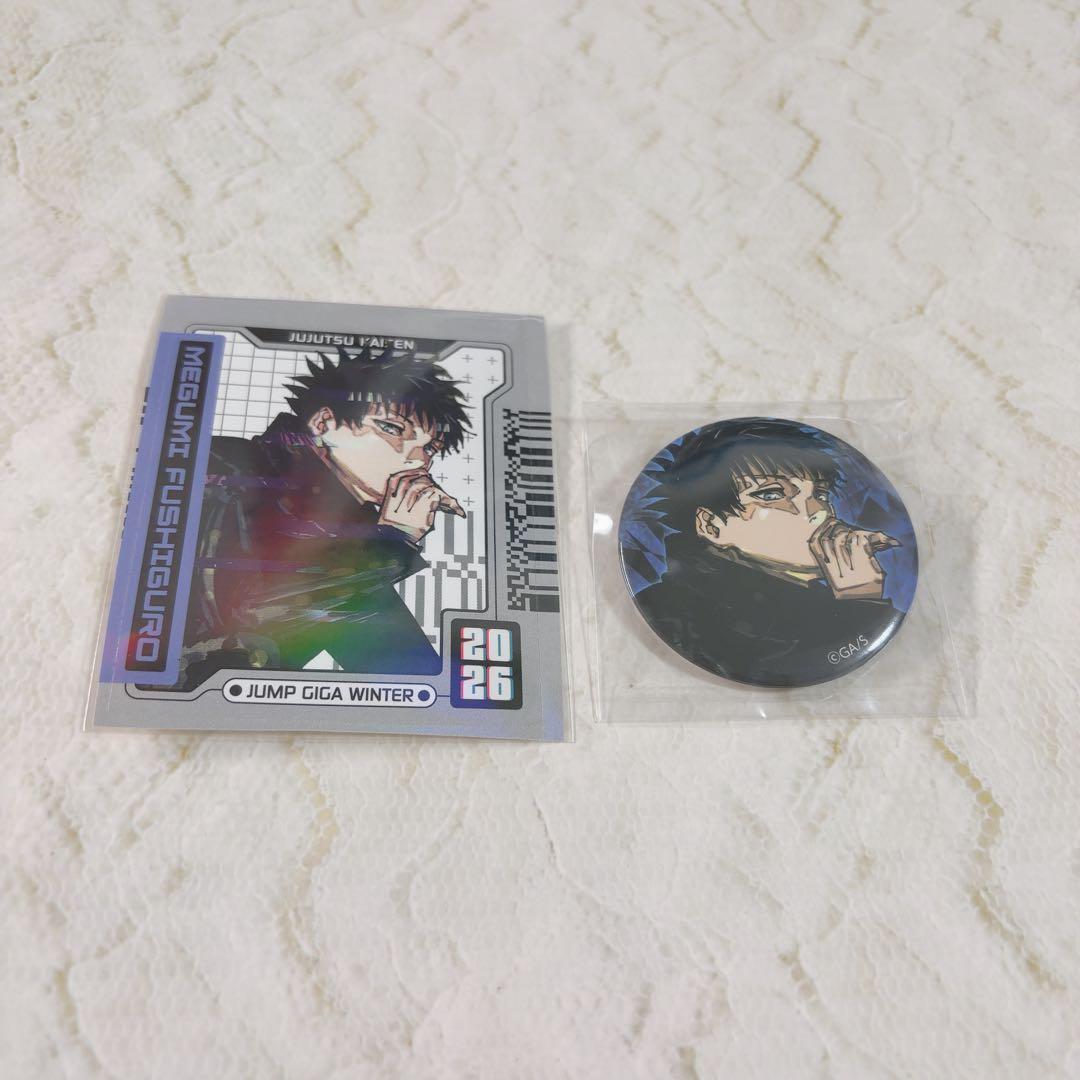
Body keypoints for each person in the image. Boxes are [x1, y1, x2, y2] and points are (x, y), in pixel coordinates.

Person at [176, 345, 469, 689]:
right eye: (391, 428)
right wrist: (394, 541)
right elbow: (240, 644)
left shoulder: (352, 535)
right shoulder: (227, 474)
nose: (418, 459)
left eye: (430, 448)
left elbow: (415, 681)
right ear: (324, 423)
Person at [629, 419, 902, 686]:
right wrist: (859, 601)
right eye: (771, 495)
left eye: (820, 494)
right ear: (711, 525)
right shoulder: (693, 614)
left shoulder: (809, 599)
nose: (818, 512)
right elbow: (790, 661)